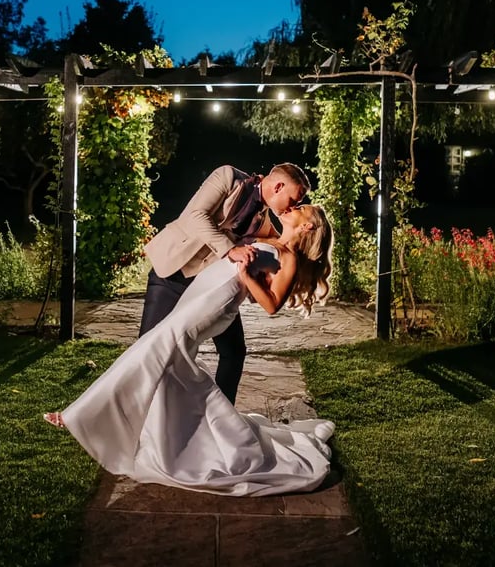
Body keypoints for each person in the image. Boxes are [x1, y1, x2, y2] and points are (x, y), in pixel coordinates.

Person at [44, 204, 334, 496]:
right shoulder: (270, 239)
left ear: (307, 226)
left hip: (219, 297)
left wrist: (247, 277)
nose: (293, 207)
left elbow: (271, 304)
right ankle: (178, 433)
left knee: (156, 349)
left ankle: (82, 415)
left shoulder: (289, 258)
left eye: (301, 208)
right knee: (165, 358)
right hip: (205, 288)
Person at [139, 162, 310, 405]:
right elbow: (195, 216)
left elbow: (283, 246)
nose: (292, 207)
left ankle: (222, 416)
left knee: (234, 352)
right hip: (173, 272)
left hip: (209, 289)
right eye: (293, 199)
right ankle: (139, 411)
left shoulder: (263, 221)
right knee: (146, 349)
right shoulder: (228, 177)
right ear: (278, 187)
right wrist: (230, 250)